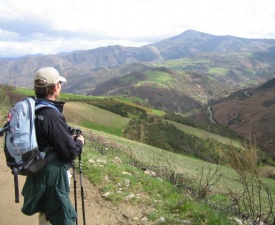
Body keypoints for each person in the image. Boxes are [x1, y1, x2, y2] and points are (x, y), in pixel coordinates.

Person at [21, 67, 85, 225]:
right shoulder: (51, 114)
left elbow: (44, 138)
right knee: (60, 216)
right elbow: (69, 152)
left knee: (45, 211)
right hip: (51, 176)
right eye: (59, 83)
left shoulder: (32, 108)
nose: (60, 86)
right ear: (55, 87)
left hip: (37, 167)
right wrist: (79, 142)